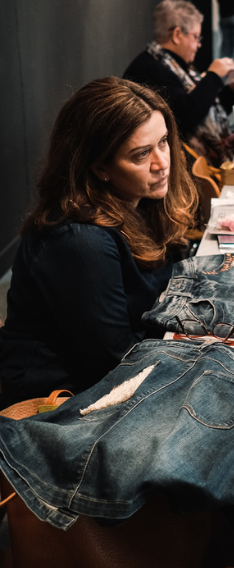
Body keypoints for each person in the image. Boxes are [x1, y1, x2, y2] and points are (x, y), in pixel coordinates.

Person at [0, 78, 197, 406]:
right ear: (100, 167)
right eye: (140, 155)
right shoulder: (79, 241)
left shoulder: (138, 200)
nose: (162, 163)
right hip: (60, 405)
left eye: (163, 142)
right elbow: (117, 365)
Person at [124, 0, 234, 165]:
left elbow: (205, 110)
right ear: (177, 35)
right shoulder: (150, 69)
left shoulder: (177, 65)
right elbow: (185, 117)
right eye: (196, 37)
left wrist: (232, 89)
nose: (198, 45)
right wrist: (214, 76)